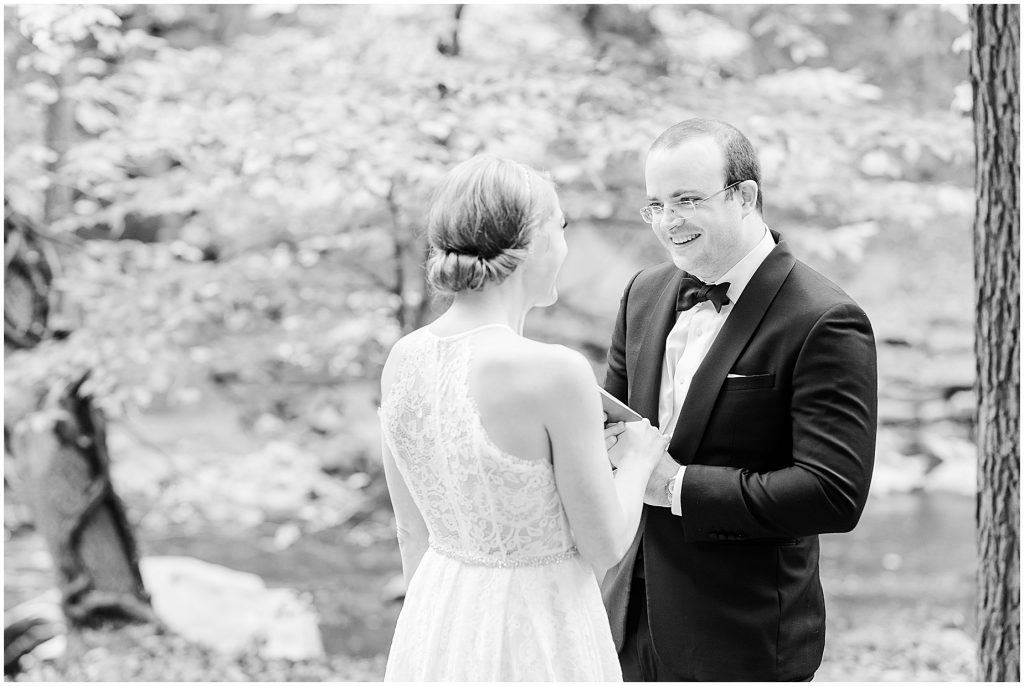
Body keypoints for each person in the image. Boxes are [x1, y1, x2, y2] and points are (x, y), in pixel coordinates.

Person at [600, 118, 877, 681]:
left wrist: (675, 487)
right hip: (624, 619)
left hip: (740, 634)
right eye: (655, 204)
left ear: (745, 196)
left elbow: (832, 493)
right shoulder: (641, 294)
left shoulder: (825, 319)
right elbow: (614, 435)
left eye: (686, 200)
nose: (667, 222)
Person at [378, 154, 668, 681]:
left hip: (436, 618)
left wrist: (434, 637)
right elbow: (604, 544)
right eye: (560, 227)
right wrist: (640, 459)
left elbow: (409, 529)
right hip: (539, 627)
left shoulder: (404, 358)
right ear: (532, 241)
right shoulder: (554, 371)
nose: (564, 245)